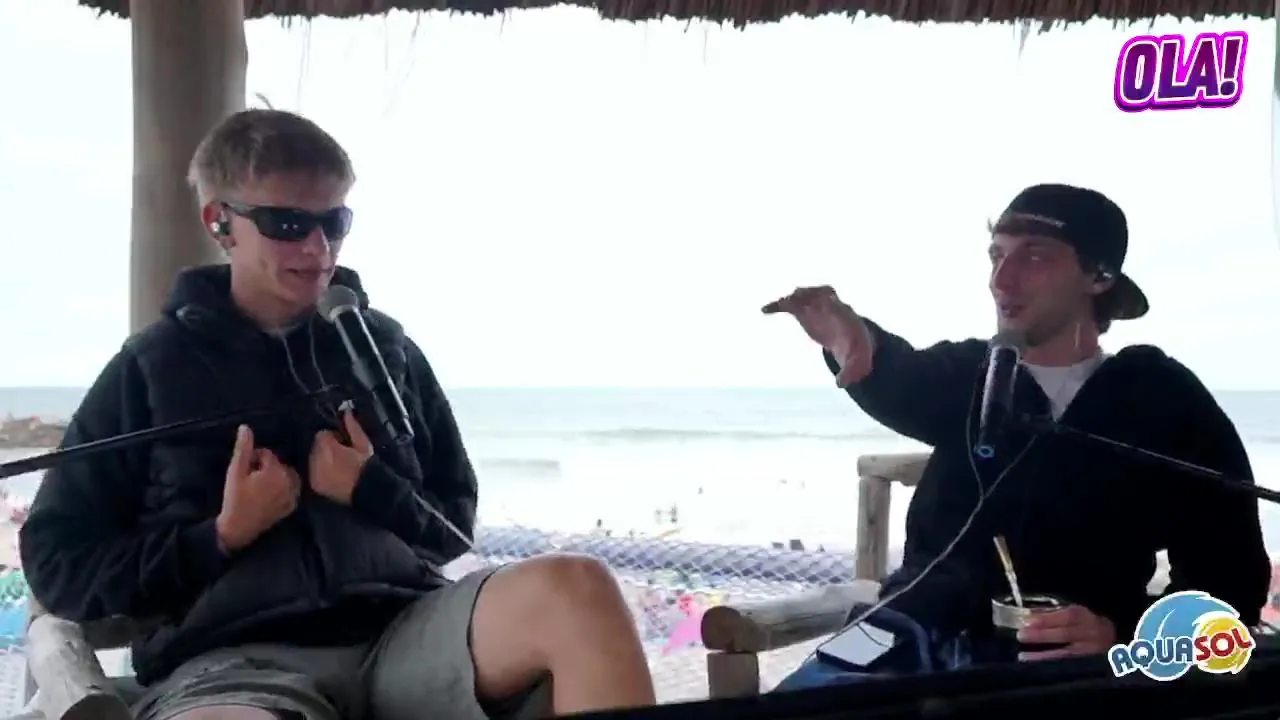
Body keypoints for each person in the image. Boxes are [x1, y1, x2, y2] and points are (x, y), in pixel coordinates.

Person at [20, 109, 656, 720]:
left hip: (404, 631)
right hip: (231, 661)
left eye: (335, 222)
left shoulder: (386, 350)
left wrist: (371, 489)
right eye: (288, 224)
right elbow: (57, 564)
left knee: (577, 590)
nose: (318, 247)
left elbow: (453, 529)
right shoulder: (149, 369)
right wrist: (221, 536)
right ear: (221, 222)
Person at [763, 183, 1271, 688]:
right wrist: (849, 339)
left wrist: (1125, 635)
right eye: (996, 256)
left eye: (1034, 256)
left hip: (1058, 664)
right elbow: (900, 377)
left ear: (1098, 276)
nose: (1001, 280)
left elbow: (1232, 580)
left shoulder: (1160, 399)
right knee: (800, 702)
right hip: (902, 626)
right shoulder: (973, 372)